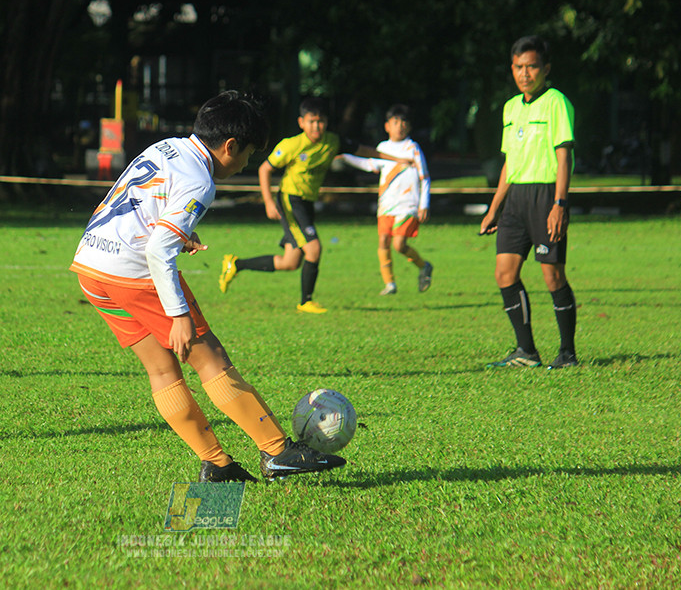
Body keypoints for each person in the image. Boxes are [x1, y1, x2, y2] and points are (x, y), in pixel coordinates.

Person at [70, 91, 346, 482]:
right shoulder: (201, 180)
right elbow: (157, 251)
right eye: (249, 153)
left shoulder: (166, 147)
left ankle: (217, 465)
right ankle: (277, 451)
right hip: (134, 271)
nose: (248, 163)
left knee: (162, 371)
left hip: (91, 265)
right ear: (230, 145)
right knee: (210, 358)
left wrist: (179, 232)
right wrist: (179, 315)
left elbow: (139, 201)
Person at [218, 97, 409, 313]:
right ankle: (306, 302)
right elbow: (265, 169)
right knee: (314, 248)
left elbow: (363, 150)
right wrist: (269, 202)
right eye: (311, 121)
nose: (316, 126)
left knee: (290, 262)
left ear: (326, 122)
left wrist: (395, 159)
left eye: (320, 121)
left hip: (307, 202)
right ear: (301, 122)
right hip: (290, 200)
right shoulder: (292, 145)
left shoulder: (333, 142)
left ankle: (235, 264)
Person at [480, 35, 578, 370]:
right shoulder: (509, 108)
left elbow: (563, 156)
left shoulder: (556, 102)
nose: (525, 73)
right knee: (504, 274)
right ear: (512, 69)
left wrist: (560, 204)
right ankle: (526, 351)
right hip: (516, 201)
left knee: (552, 276)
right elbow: (509, 163)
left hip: (546, 196)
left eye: (532, 66)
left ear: (545, 69)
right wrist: (494, 207)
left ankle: (567, 353)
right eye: (519, 67)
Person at [338, 104, 433, 296]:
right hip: (386, 205)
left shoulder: (412, 148)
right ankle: (390, 284)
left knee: (399, 245)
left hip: (408, 205)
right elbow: (368, 165)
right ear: (387, 126)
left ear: (409, 126)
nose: (400, 126)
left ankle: (424, 266)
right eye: (396, 122)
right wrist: (345, 156)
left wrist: (424, 204)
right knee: (383, 241)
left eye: (404, 122)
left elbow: (425, 178)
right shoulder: (383, 148)